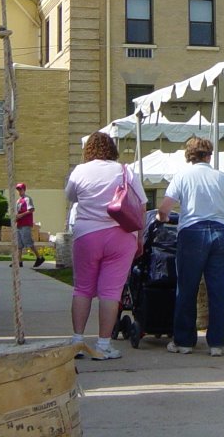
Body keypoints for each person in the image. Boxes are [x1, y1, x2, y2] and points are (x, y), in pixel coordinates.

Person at [65, 132, 145, 360]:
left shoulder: (80, 170)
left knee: (82, 289)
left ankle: (77, 341)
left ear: (88, 150)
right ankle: (103, 344)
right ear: (112, 149)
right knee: (111, 292)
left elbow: (70, 196)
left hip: (87, 234)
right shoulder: (125, 171)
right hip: (121, 236)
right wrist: (139, 238)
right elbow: (141, 206)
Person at [157, 137, 224, 357]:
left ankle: (184, 341)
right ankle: (217, 343)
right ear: (209, 155)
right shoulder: (222, 177)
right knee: (218, 290)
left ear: (189, 155)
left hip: (192, 231)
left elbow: (165, 208)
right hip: (221, 232)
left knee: (187, 287)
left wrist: (163, 218)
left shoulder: (182, 176)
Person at [13, 182, 45, 268]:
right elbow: (17, 213)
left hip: (25, 224)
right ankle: (18, 262)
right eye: (18, 190)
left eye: (21, 189)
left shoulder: (27, 199)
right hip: (19, 224)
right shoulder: (18, 201)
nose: (19, 191)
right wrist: (16, 219)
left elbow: (31, 209)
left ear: (24, 190)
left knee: (28, 242)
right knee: (18, 244)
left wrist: (21, 215)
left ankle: (39, 257)